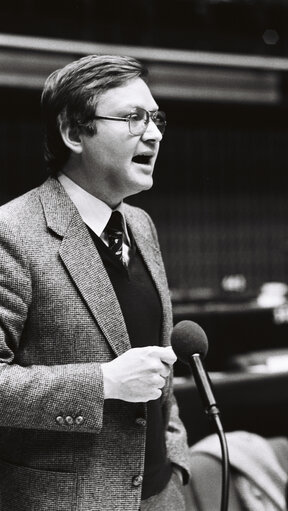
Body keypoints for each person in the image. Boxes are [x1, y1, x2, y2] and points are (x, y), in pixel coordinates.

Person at [0, 54, 190, 511]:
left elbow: (159, 359)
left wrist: (177, 458)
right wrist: (102, 381)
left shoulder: (140, 225)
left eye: (156, 117)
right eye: (132, 117)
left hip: (163, 495)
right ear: (72, 132)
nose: (155, 132)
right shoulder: (11, 232)